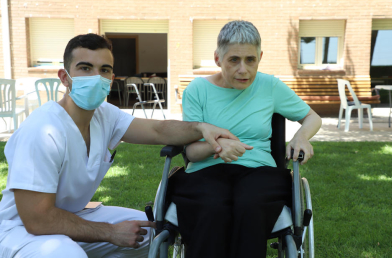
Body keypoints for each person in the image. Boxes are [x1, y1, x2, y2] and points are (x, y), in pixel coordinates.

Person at [0, 34, 239, 258]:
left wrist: (201, 129)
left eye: (104, 70)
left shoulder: (104, 115)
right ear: (64, 77)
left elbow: (157, 130)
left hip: (72, 216)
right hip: (22, 230)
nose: (96, 76)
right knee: (65, 254)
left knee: (152, 233)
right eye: (85, 68)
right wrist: (111, 232)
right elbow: (37, 219)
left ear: (111, 79)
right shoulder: (42, 131)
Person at [168, 20, 322, 258]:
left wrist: (301, 136)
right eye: (234, 60)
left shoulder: (269, 86)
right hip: (206, 170)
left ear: (259, 57)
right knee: (211, 208)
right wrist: (217, 147)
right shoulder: (197, 90)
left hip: (260, 171)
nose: (243, 69)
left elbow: (312, 117)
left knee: (250, 206)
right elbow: (191, 153)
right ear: (218, 59)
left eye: (250, 60)